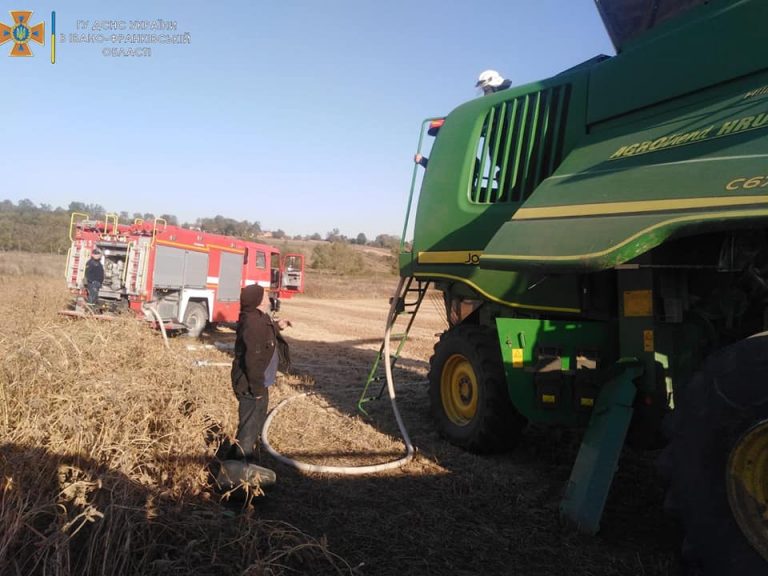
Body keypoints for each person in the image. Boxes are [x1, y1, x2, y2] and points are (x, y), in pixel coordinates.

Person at [230, 284, 292, 461]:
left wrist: (278, 326)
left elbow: (265, 328)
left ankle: (241, 461)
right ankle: (238, 473)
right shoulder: (253, 324)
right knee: (248, 430)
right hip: (251, 386)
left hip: (258, 384)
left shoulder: (258, 318)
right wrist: (256, 390)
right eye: (264, 296)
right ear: (258, 301)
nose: (268, 298)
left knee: (254, 424)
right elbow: (252, 361)